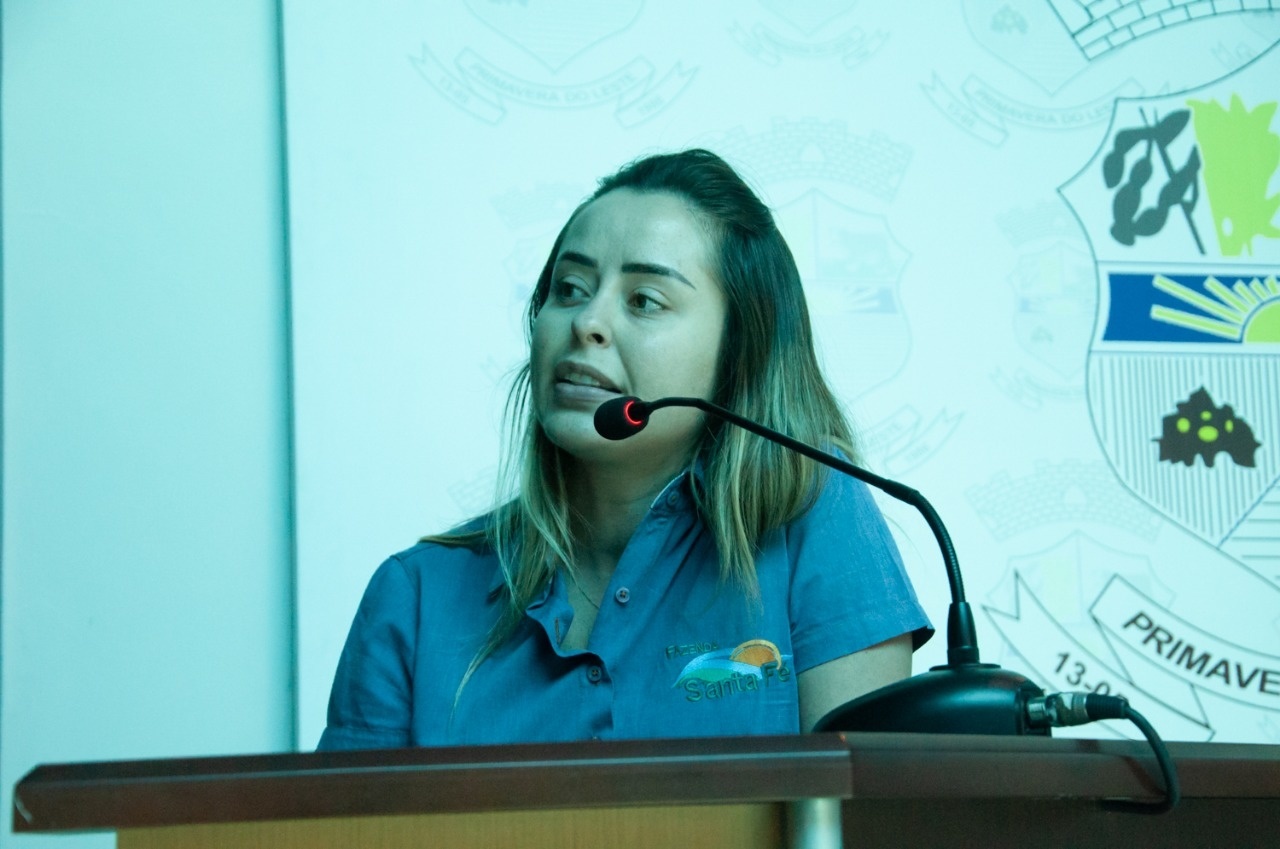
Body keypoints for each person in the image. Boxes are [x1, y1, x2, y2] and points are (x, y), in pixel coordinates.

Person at [318, 149, 932, 750]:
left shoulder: (816, 517)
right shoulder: (415, 595)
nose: (586, 321)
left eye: (644, 300)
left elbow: (865, 808)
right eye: (569, 288)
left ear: (740, 351)